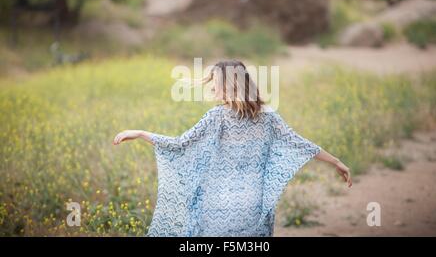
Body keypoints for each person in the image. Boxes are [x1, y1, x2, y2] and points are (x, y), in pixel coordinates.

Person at [113, 60, 352, 236]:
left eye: (215, 84)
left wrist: (141, 133)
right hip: (254, 207)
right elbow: (301, 145)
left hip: (217, 207)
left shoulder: (217, 116)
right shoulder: (269, 117)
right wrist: (336, 161)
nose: (213, 90)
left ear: (229, 85)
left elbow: (179, 145)